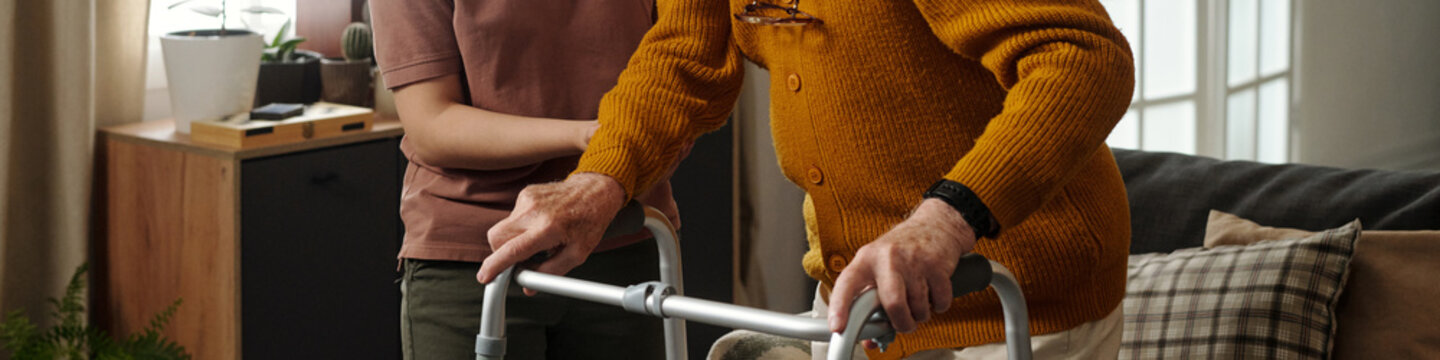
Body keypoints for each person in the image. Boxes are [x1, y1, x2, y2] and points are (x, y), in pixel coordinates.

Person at [477, 0, 1135, 359]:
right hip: (863, 290)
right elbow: (683, 57)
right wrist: (600, 179)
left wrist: (946, 218)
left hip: (1017, 290)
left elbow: (1082, 59)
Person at [370, 1, 680, 359]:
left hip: (624, 235)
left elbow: (684, 59)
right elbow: (432, 124)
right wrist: (594, 137)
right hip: (478, 255)